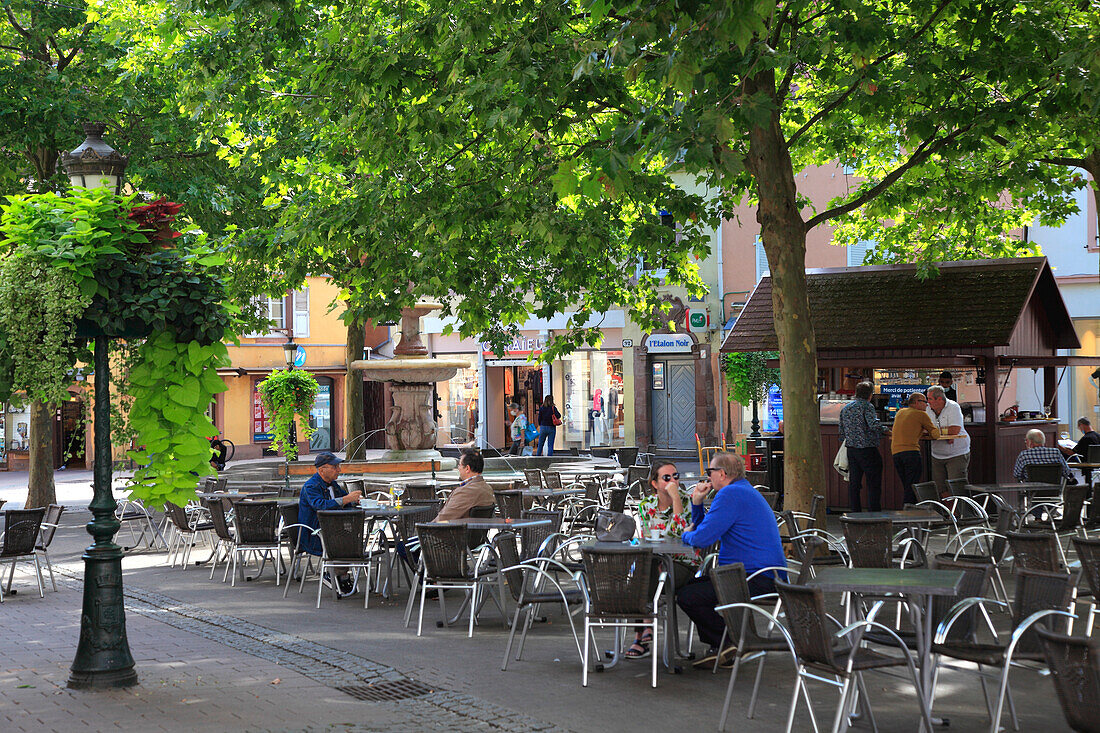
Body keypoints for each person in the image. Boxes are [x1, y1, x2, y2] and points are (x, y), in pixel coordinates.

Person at [676, 452, 786, 668]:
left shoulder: (730, 495)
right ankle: (723, 644)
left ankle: (726, 643)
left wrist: (683, 534)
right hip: (759, 575)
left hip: (756, 578)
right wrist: (697, 503)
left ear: (722, 474)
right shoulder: (742, 490)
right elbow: (707, 529)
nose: (707, 477)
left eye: (709, 472)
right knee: (691, 588)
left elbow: (700, 538)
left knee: (688, 595)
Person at [627, 462, 698, 659]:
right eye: (666, 478)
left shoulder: (687, 501)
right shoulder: (646, 506)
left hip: (683, 562)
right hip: (656, 563)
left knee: (644, 571)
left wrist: (675, 498)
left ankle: (640, 636)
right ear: (655, 483)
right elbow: (652, 540)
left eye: (675, 476)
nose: (673, 481)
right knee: (643, 567)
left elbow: (676, 536)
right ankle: (645, 626)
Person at [298, 452, 362, 595]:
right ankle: (336, 576)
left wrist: (355, 500)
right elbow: (320, 505)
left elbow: (344, 499)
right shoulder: (311, 486)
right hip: (314, 536)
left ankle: (341, 576)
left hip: (333, 532)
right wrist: (346, 499)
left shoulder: (333, 485)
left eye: (338, 466)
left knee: (351, 539)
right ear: (322, 470)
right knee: (343, 542)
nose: (339, 470)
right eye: (335, 467)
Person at [839, 381, 889, 512]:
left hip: (851, 450)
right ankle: (874, 512)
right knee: (873, 483)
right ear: (870, 395)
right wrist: (886, 430)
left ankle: (855, 512)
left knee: (854, 484)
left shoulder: (846, 408)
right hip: (868, 449)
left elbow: (841, 432)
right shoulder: (867, 406)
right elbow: (873, 425)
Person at [890, 392, 940, 503]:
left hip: (896, 453)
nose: (927, 405)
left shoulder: (900, 412)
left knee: (907, 486)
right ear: (917, 402)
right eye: (925, 402)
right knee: (912, 487)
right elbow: (936, 435)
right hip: (911, 452)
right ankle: (909, 513)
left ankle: (908, 511)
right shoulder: (921, 415)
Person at [925, 385, 971, 495]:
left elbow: (955, 430)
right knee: (940, 489)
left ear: (939, 399)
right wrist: (944, 432)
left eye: (930, 399)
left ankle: (961, 512)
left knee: (957, 489)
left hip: (956, 454)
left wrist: (934, 431)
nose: (928, 402)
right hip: (936, 454)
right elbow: (923, 429)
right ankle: (945, 512)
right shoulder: (927, 409)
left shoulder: (953, 407)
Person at [434, 448, 495, 521]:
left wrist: (424, 528)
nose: (458, 468)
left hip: (454, 531)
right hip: (474, 530)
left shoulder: (465, 492)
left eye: (459, 465)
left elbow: (443, 518)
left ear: (467, 468)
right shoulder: (487, 488)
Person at [1060, 417, 1100, 484]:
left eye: (1079, 427)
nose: (1080, 430)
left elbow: (1071, 452)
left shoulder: (1085, 438)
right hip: (1097, 461)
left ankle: (1070, 478)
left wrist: (1060, 447)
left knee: (1062, 455)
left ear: (1081, 425)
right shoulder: (1098, 436)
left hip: (1085, 461)